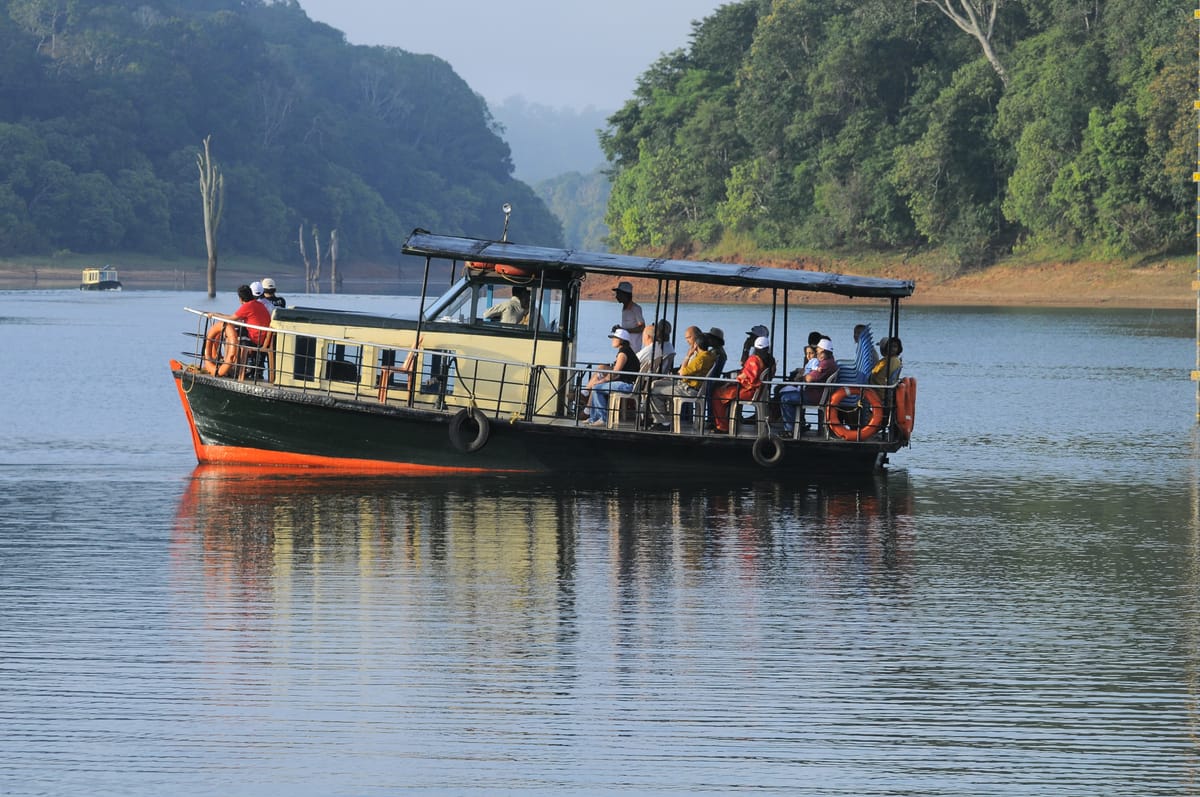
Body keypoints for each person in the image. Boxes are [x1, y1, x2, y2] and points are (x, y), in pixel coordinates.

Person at [647, 326, 716, 431]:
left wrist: (688, 356)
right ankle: (662, 417)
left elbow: (682, 372)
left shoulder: (701, 358)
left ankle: (663, 422)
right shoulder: (708, 355)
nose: (687, 341)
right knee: (655, 384)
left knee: (654, 391)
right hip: (687, 384)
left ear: (696, 343)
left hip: (689, 389)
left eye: (689, 338)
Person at [202, 284, 272, 377]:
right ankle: (232, 365)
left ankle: (229, 366)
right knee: (234, 331)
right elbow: (236, 318)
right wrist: (218, 314)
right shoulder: (258, 304)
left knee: (230, 336)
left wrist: (215, 315)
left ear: (241, 299)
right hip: (261, 337)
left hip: (254, 338)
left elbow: (231, 319)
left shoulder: (247, 306)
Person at [778, 337, 839, 434]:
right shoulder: (830, 361)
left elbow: (809, 378)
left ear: (823, 351)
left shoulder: (825, 364)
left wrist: (802, 376)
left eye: (818, 350)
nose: (817, 352)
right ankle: (798, 425)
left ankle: (790, 430)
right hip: (816, 393)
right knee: (786, 393)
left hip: (814, 396)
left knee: (785, 398)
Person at [712, 336, 769, 433]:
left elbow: (749, 377)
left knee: (717, 395)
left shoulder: (754, 360)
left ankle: (722, 426)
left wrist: (732, 380)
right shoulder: (768, 360)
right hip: (757, 391)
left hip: (749, 391)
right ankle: (728, 422)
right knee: (724, 391)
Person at [586, 328, 639, 425]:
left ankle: (603, 418)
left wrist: (602, 381)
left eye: (615, 338)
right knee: (597, 387)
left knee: (597, 388)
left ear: (622, 340)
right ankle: (593, 418)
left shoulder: (623, 353)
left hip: (627, 385)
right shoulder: (626, 351)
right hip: (627, 383)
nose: (613, 340)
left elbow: (615, 372)